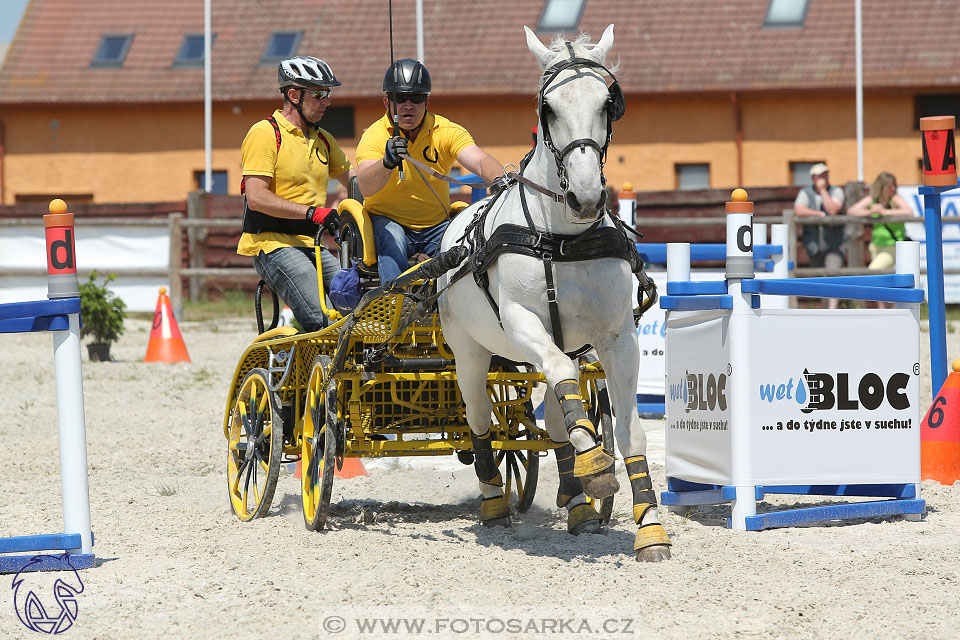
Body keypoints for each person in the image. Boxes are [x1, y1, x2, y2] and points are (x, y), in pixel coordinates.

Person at [355, 58, 504, 282]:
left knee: (466, 239)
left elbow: (480, 160)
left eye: (416, 98)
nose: (408, 105)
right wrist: (386, 161)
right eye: (400, 98)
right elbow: (365, 186)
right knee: (392, 237)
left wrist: (502, 180)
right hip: (388, 223)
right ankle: (396, 304)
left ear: (427, 102)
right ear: (387, 102)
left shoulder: (445, 130)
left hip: (436, 226)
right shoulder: (374, 135)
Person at [238, 56, 356, 332]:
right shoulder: (266, 133)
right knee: (321, 319)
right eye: (319, 94)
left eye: (328, 93)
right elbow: (256, 197)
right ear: (293, 95)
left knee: (358, 302)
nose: (326, 101)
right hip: (272, 245)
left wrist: (385, 164)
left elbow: (355, 183)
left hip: (311, 244)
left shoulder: (323, 138)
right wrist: (314, 212)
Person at [848, 171, 913, 308]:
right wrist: (870, 212)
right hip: (876, 245)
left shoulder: (894, 199)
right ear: (881, 187)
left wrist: (887, 212)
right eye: (890, 186)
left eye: (894, 186)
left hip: (893, 246)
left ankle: (891, 307)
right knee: (883, 278)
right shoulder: (873, 199)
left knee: (874, 271)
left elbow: (909, 211)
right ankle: (884, 308)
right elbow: (852, 211)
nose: (893, 189)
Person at [795, 162, 846, 309]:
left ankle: (832, 311)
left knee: (832, 273)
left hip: (835, 243)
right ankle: (826, 311)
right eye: (820, 176)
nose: (825, 178)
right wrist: (819, 214)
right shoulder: (806, 192)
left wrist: (823, 191)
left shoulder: (836, 191)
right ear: (813, 178)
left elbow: (832, 210)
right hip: (814, 244)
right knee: (820, 279)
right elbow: (799, 210)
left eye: (826, 174)